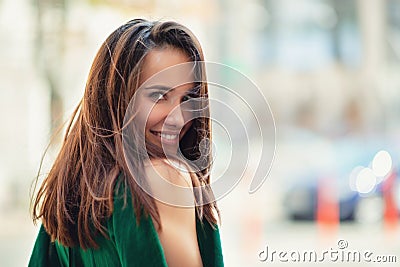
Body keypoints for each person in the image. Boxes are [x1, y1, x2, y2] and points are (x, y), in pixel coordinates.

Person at [29, 18, 224, 267]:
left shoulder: (70, 196)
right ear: (117, 97)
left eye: (188, 98)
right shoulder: (163, 178)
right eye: (159, 96)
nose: (179, 117)